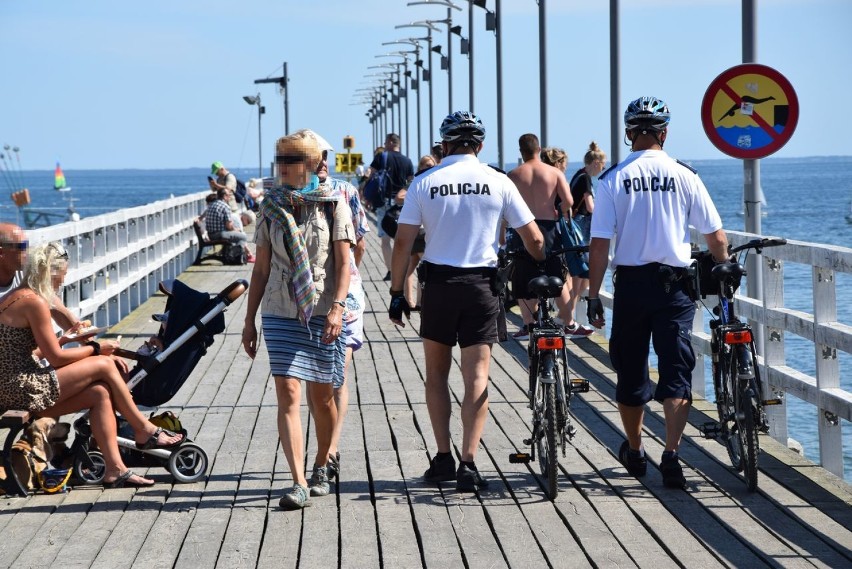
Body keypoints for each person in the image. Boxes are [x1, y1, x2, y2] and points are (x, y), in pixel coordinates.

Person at [389, 111, 545, 491]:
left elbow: (404, 242)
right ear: (480, 145)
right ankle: (468, 464)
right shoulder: (498, 180)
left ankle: (442, 457)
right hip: (481, 286)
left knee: (437, 375)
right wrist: (539, 263)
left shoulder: (425, 182)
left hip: (438, 286)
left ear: (444, 145)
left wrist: (397, 293)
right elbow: (535, 240)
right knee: (476, 377)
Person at [586, 96, 729, 489]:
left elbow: (599, 245)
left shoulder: (612, 178)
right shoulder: (686, 176)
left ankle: (634, 450)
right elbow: (715, 236)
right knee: (676, 369)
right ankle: (671, 454)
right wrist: (724, 267)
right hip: (675, 288)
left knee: (631, 371)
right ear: (664, 133)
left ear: (630, 133)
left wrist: (593, 294)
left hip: (632, 287)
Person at [0, 242, 184, 488]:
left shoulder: (18, 296)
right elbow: (55, 358)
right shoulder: (34, 302)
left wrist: (68, 339)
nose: (61, 283)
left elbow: (25, 350)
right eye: (61, 277)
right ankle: (145, 430)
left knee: (99, 393)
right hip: (20, 387)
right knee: (103, 365)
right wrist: (98, 349)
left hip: (12, 383)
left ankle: (115, 469)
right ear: (51, 273)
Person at [242, 133, 355, 510]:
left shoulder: (333, 204)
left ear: (309, 165)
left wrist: (338, 308)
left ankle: (323, 463)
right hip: (278, 308)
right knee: (287, 392)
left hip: (323, 310)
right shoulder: (270, 206)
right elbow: (259, 270)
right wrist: (248, 321)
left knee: (322, 397)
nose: (283, 167)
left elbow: (344, 265)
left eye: (291, 161)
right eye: (280, 160)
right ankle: (298, 481)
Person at [296, 128, 369, 482]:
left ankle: (330, 451)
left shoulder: (346, 192)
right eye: (314, 158)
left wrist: (343, 276)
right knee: (316, 379)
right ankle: (326, 448)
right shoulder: (287, 196)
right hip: (304, 297)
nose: (321, 163)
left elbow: (359, 245)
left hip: (345, 294)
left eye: (324, 156)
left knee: (336, 373)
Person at [507, 134, 588, 339]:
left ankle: (528, 324)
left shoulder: (513, 175)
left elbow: (505, 207)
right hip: (549, 228)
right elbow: (568, 201)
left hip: (523, 227)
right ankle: (568, 322)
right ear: (539, 149)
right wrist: (557, 211)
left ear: (520, 151)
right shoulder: (553, 172)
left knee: (523, 273)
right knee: (556, 274)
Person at [1, 223, 78, 330]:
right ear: (1, 252)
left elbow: (60, 311)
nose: (27, 252)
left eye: (28, 245)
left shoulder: (26, 273)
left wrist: (91, 342)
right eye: (22, 246)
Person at [565, 142, 607, 333]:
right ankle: (568, 319)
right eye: (602, 164)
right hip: (582, 229)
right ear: (596, 162)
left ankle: (568, 317)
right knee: (581, 275)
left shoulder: (578, 176)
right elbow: (590, 207)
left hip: (576, 227)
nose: (603, 168)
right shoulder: (585, 179)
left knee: (581, 276)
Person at [367, 133, 414, 281]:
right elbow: (411, 182)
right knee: (402, 238)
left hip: (384, 203)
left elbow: (371, 176)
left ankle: (391, 271)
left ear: (390, 142)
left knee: (385, 239)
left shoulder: (381, 157)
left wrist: (367, 195)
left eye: (386, 142)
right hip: (402, 203)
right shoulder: (408, 161)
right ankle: (404, 270)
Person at [202, 187, 255, 263]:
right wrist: (237, 230)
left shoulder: (212, 204)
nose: (230, 197)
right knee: (243, 236)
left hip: (210, 234)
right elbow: (229, 226)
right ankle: (235, 257)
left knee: (237, 235)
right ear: (224, 196)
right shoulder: (225, 206)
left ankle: (233, 256)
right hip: (220, 234)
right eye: (229, 195)